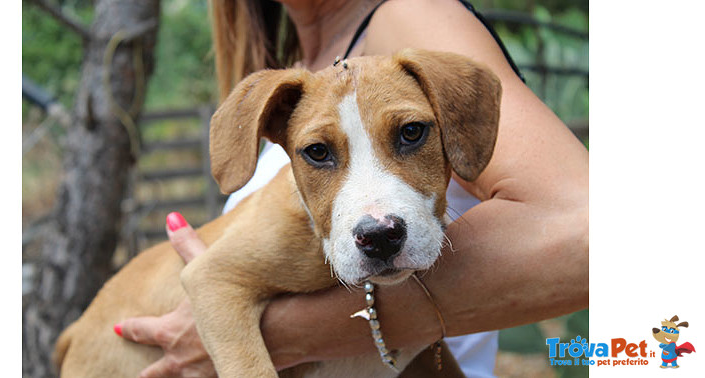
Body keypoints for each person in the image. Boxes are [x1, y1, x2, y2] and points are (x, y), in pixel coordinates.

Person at [114, 0, 589, 377]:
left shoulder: (412, 16)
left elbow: (581, 230)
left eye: (410, 134)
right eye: (318, 152)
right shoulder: (296, 74)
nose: (375, 214)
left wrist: (277, 336)